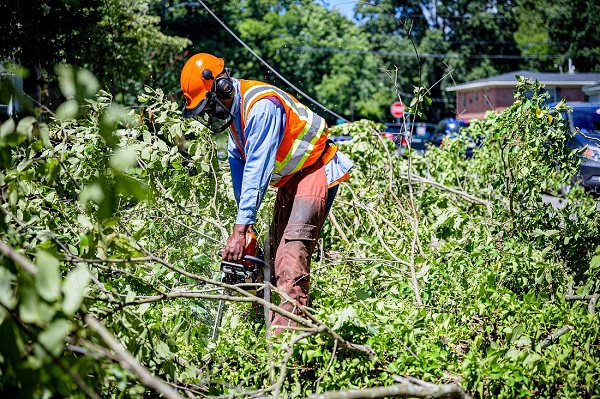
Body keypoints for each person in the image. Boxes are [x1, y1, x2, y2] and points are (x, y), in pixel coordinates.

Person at [180, 53, 353, 335]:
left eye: (209, 107)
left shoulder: (261, 107)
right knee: (270, 259)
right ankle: (261, 328)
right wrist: (246, 229)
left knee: (290, 261)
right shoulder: (237, 119)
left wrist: (240, 230)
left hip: (314, 170)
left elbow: (258, 168)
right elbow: (241, 168)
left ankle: (287, 348)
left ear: (222, 87)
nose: (211, 115)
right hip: (289, 180)